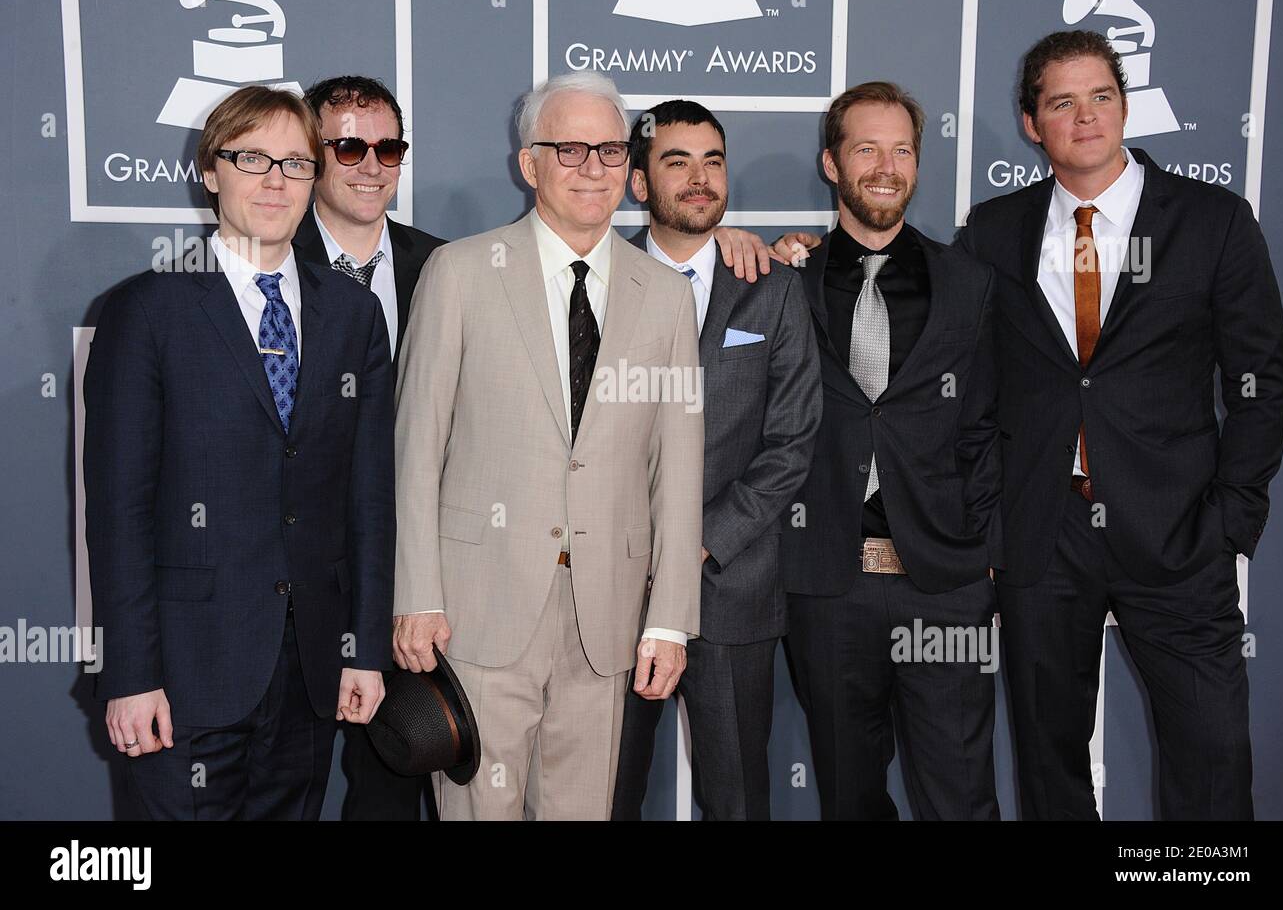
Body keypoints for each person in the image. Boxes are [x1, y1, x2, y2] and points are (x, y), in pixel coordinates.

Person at [953, 30, 1283, 820]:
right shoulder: (995, 232)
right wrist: (993, 521)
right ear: (1033, 124)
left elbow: (1260, 381)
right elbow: (969, 389)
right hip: (1043, 532)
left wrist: (1232, 520)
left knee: (1211, 761)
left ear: (1126, 106)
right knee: (1050, 765)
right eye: (1061, 103)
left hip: (1178, 532)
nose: (1085, 117)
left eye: (1100, 96)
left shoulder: (1211, 221)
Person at [392, 72, 704, 820]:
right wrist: (417, 595)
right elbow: (416, 445)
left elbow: (679, 463)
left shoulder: (663, 295)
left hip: (608, 619)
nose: (591, 167)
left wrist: (669, 617)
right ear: (529, 164)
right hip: (476, 611)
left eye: (607, 149)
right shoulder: (461, 273)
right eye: (569, 149)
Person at [84, 86, 395, 820]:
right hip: (183, 677)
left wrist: (366, 648)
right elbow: (119, 512)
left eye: (295, 161)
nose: (276, 180)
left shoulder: (354, 314)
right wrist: (130, 673)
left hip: (310, 672)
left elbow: (370, 499)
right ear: (210, 170)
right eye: (252, 158)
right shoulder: (145, 310)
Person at [780, 82, 1001, 820]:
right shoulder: (783, 281)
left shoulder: (969, 283)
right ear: (831, 162)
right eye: (866, 147)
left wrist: (982, 561)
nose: (886, 165)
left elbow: (989, 426)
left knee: (961, 794)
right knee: (848, 796)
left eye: (902, 149)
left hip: (943, 588)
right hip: (826, 587)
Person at [611, 100, 821, 820]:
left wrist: (697, 541)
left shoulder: (773, 287)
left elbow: (791, 442)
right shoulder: (597, 283)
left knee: (738, 802)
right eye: (677, 161)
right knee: (604, 796)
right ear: (640, 183)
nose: (700, 179)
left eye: (712, 161)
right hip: (613, 591)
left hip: (730, 586)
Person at [295, 74, 445, 822]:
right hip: (298, 582)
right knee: (283, 784)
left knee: (391, 790)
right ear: (311, 152)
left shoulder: (447, 266)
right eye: (349, 144)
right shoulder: (259, 262)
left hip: (414, 579)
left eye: (389, 147)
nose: (371, 164)